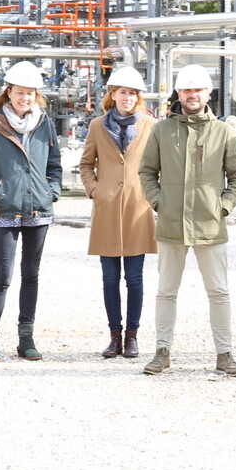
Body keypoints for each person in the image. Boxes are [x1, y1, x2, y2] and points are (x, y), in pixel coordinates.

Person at [137, 63, 236, 377]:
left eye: (197, 89)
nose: (192, 95)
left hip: (210, 224)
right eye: (186, 90)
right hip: (171, 222)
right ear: (179, 93)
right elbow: (146, 171)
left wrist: (222, 207)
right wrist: (160, 201)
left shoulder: (223, 132)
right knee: (166, 291)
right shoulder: (162, 130)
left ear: (208, 93)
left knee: (219, 292)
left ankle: (225, 355)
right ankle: (162, 352)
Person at [0, 61, 63, 363]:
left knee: (31, 275)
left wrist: (53, 191)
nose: (25, 98)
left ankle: (26, 338)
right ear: (8, 92)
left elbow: (54, 164)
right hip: (4, 210)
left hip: (39, 208)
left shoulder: (44, 123)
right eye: (19, 92)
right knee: (3, 275)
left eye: (30, 93)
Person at [78, 65, 157, 359]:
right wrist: (94, 190)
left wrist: (153, 194)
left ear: (139, 97)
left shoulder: (150, 125)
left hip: (138, 208)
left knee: (134, 278)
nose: (128, 97)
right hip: (107, 209)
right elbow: (86, 164)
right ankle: (114, 336)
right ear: (113, 95)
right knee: (110, 278)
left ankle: (132, 336)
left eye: (133, 93)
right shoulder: (98, 126)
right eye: (123, 92)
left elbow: (159, 164)